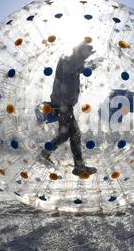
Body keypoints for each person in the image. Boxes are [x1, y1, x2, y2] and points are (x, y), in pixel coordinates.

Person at [40, 42, 100, 177]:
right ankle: (46, 155)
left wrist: (90, 65)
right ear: (80, 49)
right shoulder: (67, 58)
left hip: (65, 104)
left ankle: (77, 166)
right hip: (61, 103)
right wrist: (84, 63)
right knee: (72, 134)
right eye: (87, 51)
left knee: (71, 134)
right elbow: (69, 69)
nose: (87, 55)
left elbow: (75, 70)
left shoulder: (75, 61)